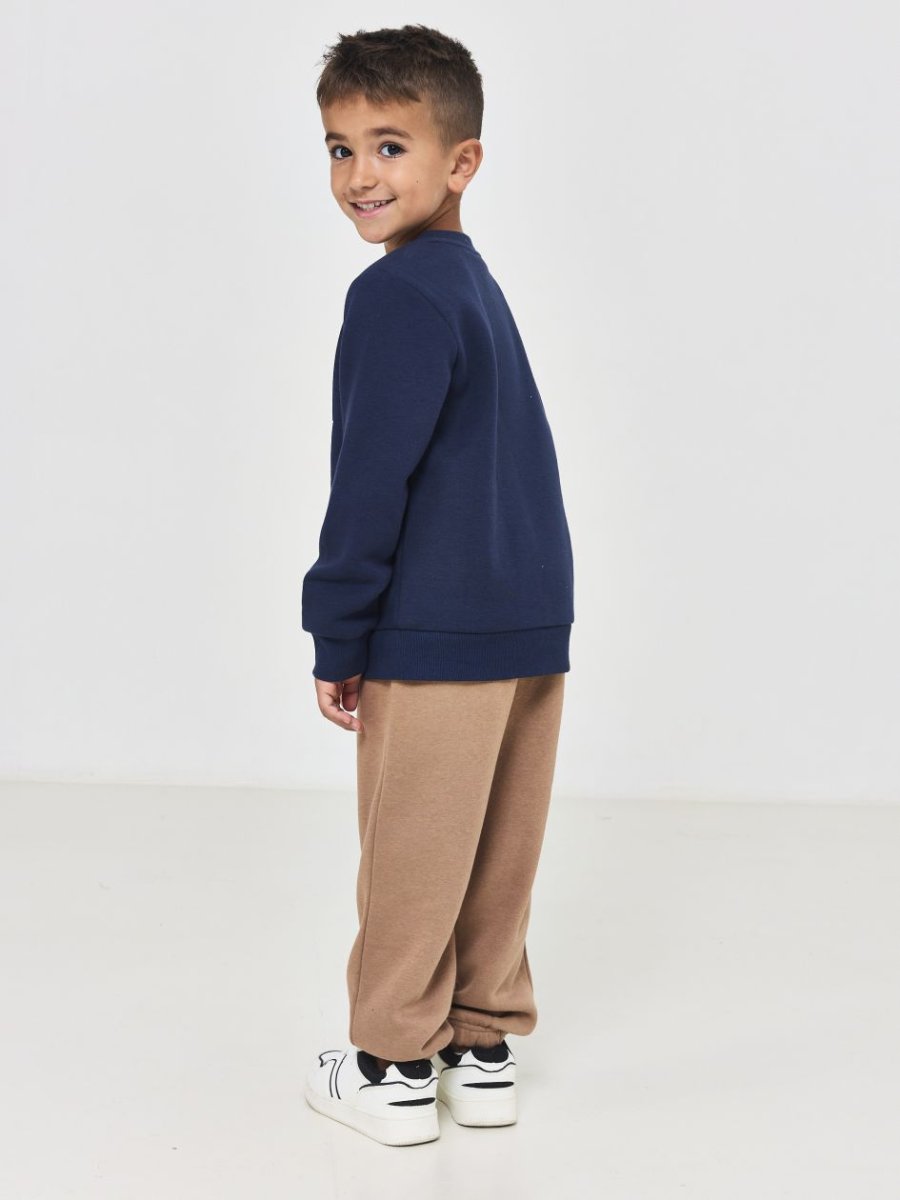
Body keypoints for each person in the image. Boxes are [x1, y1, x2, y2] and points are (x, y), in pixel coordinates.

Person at [300, 24, 574, 1147]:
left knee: (415, 853)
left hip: (435, 628)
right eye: (339, 148)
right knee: (499, 849)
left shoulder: (398, 295)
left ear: (462, 162)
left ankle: (389, 1067)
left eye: (390, 145)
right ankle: (481, 1044)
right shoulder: (470, 285)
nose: (359, 175)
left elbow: (372, 482)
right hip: (526, 619)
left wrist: (338, 632)